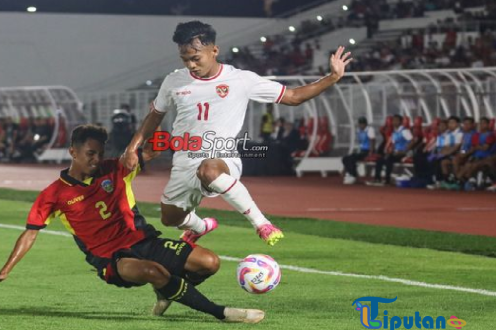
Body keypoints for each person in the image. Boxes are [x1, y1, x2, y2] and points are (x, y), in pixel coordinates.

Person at [0, 125, 264, 324]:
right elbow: (30, 234)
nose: (97, 159)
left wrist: (174, 132)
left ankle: (167, 290)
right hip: (111, 258)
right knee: (154, 271)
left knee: (210, 262)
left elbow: (149, 150)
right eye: (90, 153)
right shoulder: (54, 194)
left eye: (100, 152)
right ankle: (221, 313)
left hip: (145, 241)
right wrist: (4, 272)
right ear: (72, 152)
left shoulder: (116, 168)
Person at [121, 21, 352, 245]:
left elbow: (293, 97)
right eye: (185, 59)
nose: (190, 65)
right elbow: (155, 114)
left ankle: (262, 224)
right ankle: (202, 227)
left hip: (223, 158)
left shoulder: (241, 80)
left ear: (214, 50)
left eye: (195, 58)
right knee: (170, 218)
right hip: (183, 160)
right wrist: (132, 148)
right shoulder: (174, 81)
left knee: (209, 170)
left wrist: (332, 78)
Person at [366, 114, 414, 186]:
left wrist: (404, 151)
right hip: (396, 153)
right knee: (380, 160)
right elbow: (394, 144)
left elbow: (412, 141)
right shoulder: (394, 132)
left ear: (400, 122)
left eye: (396, 120)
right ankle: (377, 179)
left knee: (389, 160)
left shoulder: (404, 131)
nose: (394, 122)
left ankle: (387, 180)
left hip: (404, 154)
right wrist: (391, 151)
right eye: (393, 120)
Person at [342, 117, 376, 184]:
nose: (361, 126)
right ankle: (352, 173)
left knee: (351, 158)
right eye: (360, 124)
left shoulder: (370, 130)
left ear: (366, 124)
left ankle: (353, 175)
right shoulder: (359, 130)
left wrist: (371, 152)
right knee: (345, 158)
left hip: (367, 151)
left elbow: (372, 141)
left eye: (362, 124)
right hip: (361, 151)